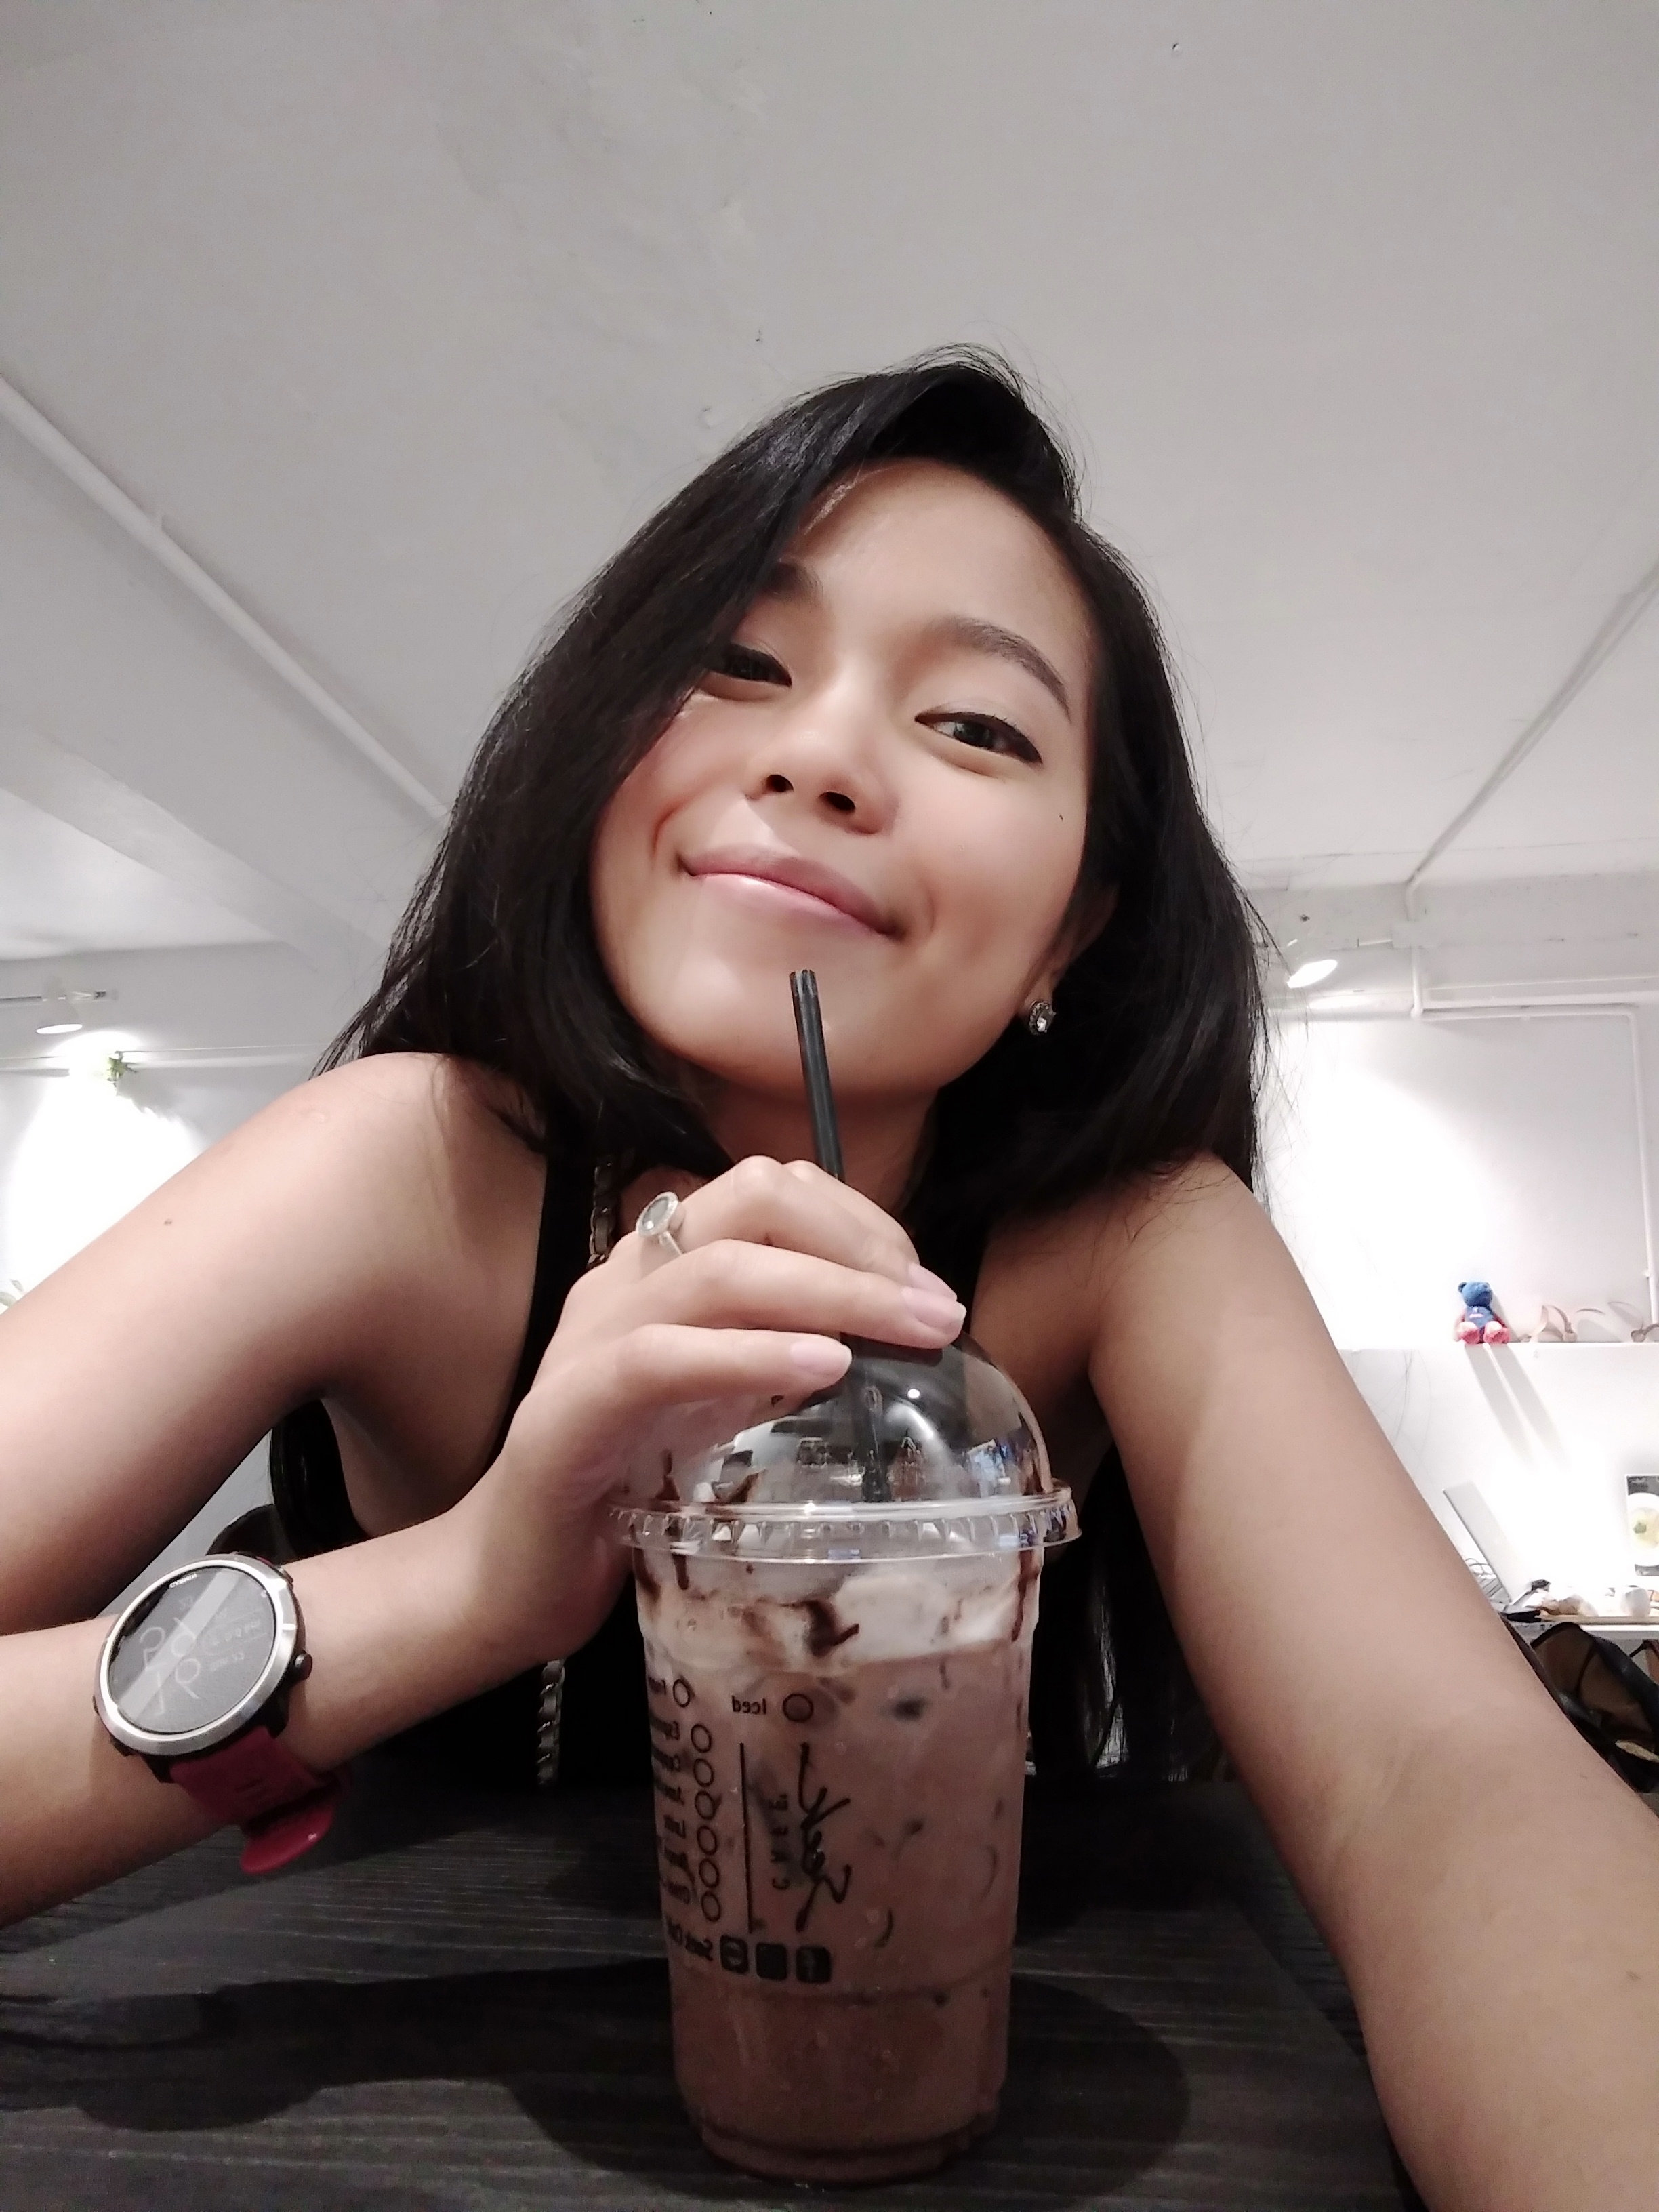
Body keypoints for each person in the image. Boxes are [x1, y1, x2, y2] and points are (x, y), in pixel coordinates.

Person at [0, 353, 1652, 2209]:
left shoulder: (1132, 1246)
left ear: (1074, 926)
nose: (821, 758)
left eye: (978, 727)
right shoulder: (403, 1167)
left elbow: (1441, 1777)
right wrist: (469, 1585)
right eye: (739, 661)